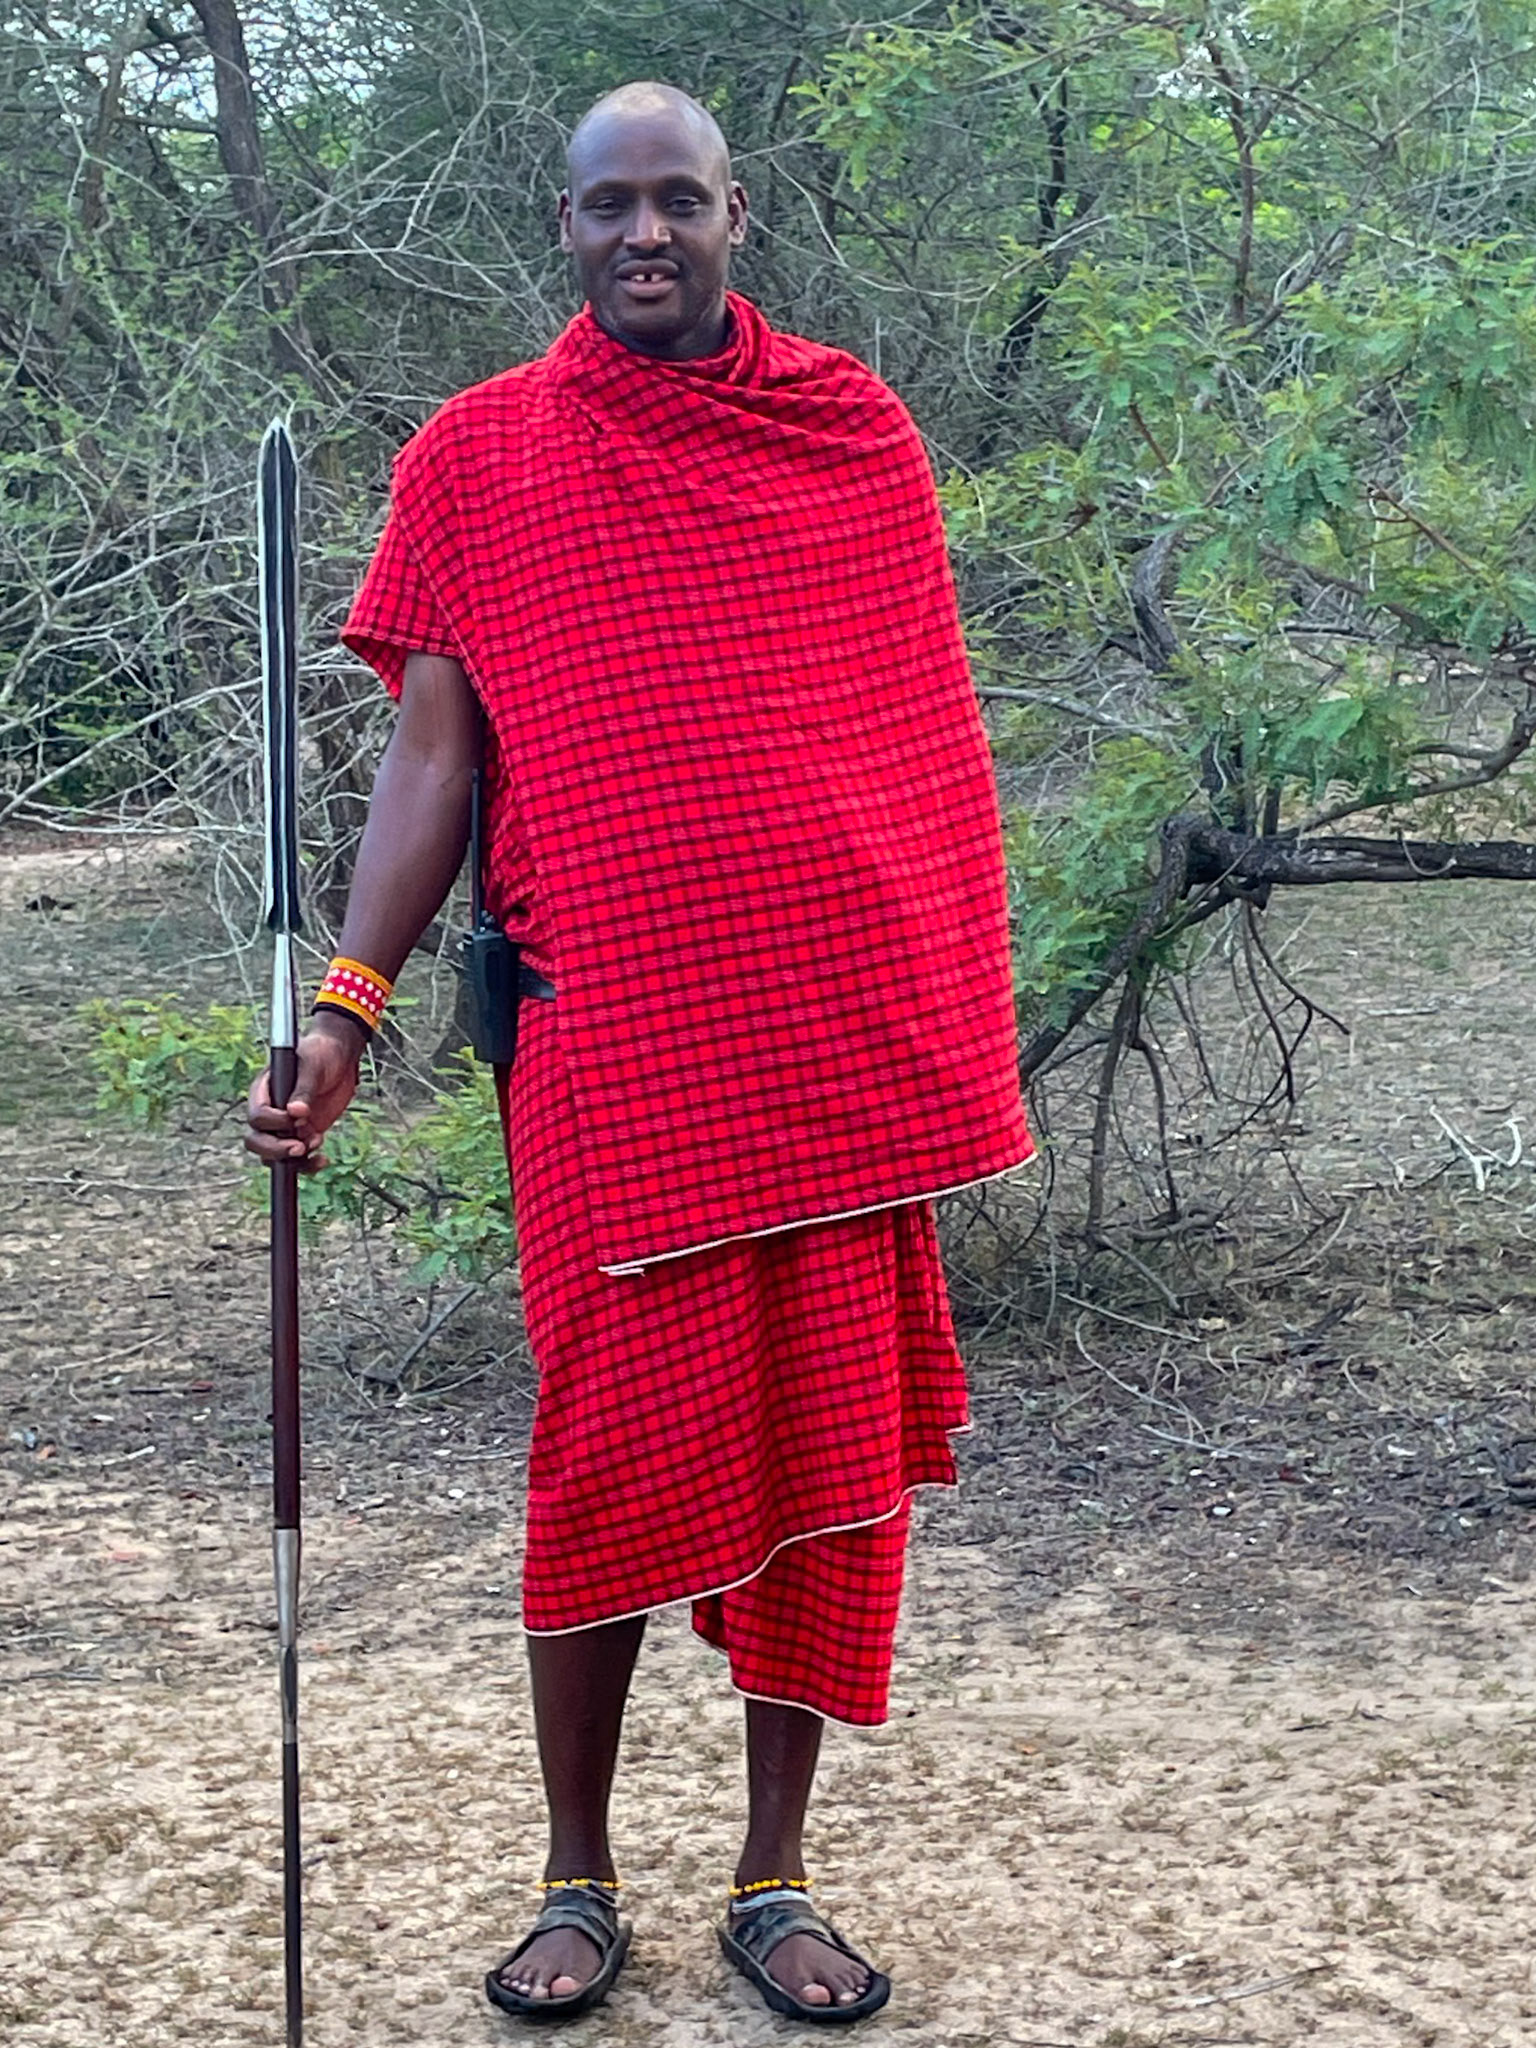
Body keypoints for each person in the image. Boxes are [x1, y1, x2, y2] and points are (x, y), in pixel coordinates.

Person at [246, 80, 1031, 2027]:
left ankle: (775, 1873)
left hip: (826, 1062)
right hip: (606, 1052)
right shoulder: (479, 463)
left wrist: (928, 1008)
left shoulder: (849, 432)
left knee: (833, 1455)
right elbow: (436, 759)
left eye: (679, 200)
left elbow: (916, 763)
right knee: (600, 1454)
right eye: (610, 208)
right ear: (566, 225)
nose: (645, 235)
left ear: (736, 212)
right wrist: (344, 1009)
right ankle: (576, 1868)